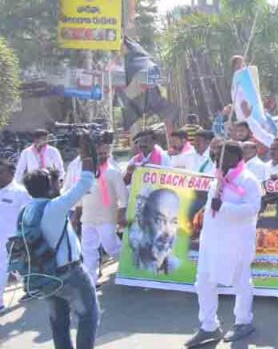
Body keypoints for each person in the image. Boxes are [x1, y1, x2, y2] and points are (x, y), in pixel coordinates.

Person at [186, 141, 261, 347]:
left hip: (236, 241)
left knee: (241, 282)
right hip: (211, 241)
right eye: (216, 154)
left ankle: (244, 321)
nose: (217, 159)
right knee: (203, 282)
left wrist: (225, 207)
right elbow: (212, 209)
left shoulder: (248, 180)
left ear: (236, 158)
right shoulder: (217, 177)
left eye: (222, 155)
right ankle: (209, 326)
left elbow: (253, 208)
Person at [21, 152, 98, 349]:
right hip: (70, 272)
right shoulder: (54, 206)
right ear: (49, 187)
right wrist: (87, 158)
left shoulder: (27, 210)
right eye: (56, 183)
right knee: (88, 316)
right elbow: (84, 184)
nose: (59, 185)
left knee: (58, 322)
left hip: (44, 273)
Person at [78, 133, 129, 284]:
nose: (102, 157)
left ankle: (130, 266)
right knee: (88, 250)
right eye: (99, 154)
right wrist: (76, 215)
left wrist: (121, 215)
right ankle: (91, 281)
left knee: (111, 246)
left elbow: (124, 198)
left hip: (107, 217)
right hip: (87, 218)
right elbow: (80, 195)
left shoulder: (113, 173)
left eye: (105, 154)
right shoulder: (85, 172)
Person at [0, 160, 31, 312]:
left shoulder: (20, 193)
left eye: (1, 172)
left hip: (12, 240)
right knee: (12, 269)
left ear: (11, 173)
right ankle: (31, 286)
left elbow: (30, 215)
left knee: (8, 268)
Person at [128, 187, 180, 275]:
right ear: (142, 222)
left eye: (173, 222)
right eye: (160, 221)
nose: (168, 233)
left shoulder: (176, 267)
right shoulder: (131, 262)